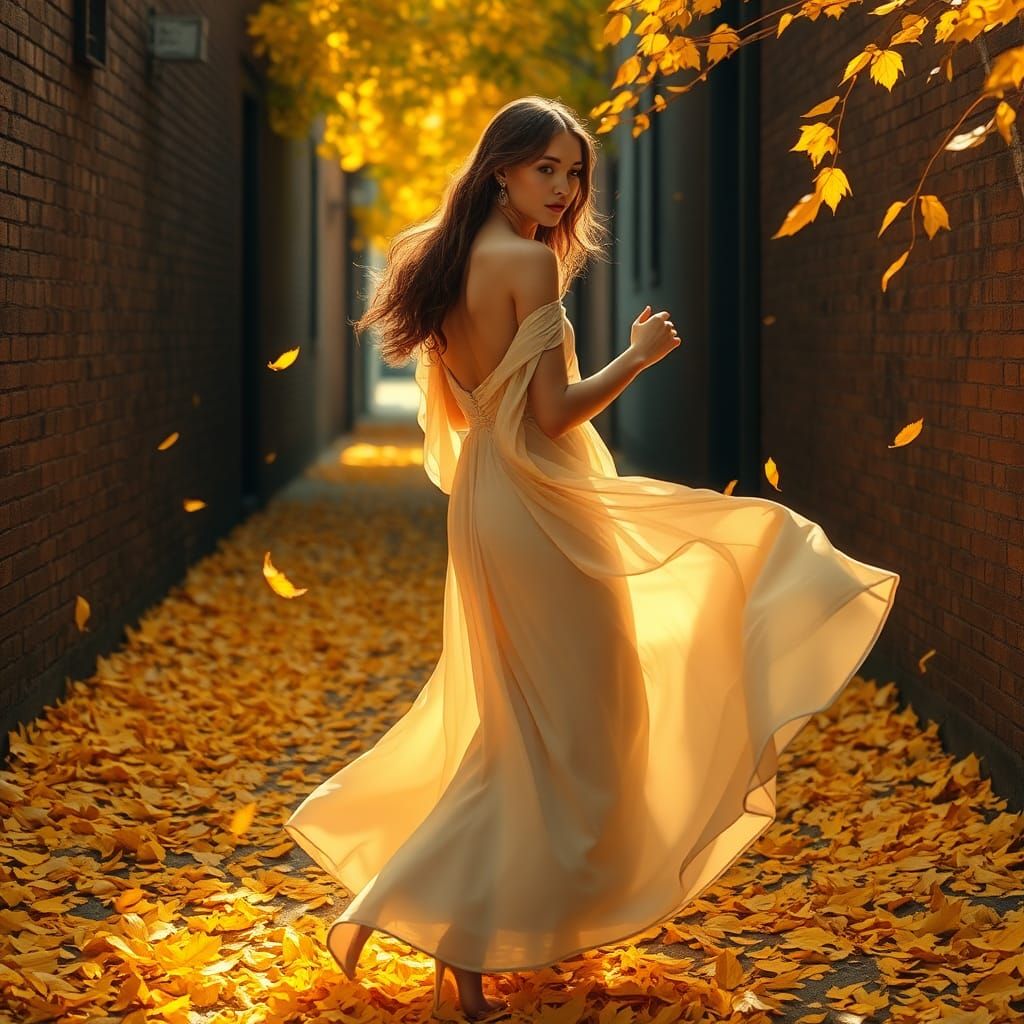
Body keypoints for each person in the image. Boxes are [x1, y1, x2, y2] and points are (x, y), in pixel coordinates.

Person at [284, 95, 900, 1022]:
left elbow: (469, 416)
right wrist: (639, 357)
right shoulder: (527, 263)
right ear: (501, 169)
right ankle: (415, 916)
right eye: (548, 171)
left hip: (497, 506)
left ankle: (452, 945)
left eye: (575, 175)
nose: (565, 191)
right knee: (571, 726)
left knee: (527, 729)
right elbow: (553, 413)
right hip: (536, 505)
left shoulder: (441, 258)